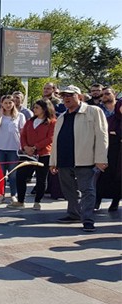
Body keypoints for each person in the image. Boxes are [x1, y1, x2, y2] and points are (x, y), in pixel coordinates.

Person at [50, 85, 109, 232]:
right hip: (64, 160)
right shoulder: (62, 116)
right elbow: (56, 140)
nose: (66, 98)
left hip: (85, 159)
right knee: (68, 190)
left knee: (87, 190)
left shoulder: (93, 111)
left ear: (80, 96)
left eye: (70, 95)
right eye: (64, 96)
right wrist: (53, 161)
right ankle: (73, 214)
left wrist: (101, 158)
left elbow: (102, 135)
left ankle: (88, 219)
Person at [8, 99, 56, 210]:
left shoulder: (52, 122)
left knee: (41, 178)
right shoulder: (30, 121)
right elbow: (23, 134)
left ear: (44, 109)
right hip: (27, 154)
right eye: (34, 107)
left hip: (43, 154)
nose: (34, 109)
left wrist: (35, 147)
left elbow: (50, 138)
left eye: (37, 108)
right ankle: (20, 201)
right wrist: (25, 147)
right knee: (20, 177)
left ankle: (37, 201)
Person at [0, 95, 26, 203]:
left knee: (13, 174)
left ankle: (13, 194)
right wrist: (1, 115)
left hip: (14, 148)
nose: (8, 105)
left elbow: (23, 131)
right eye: (5, 103)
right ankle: (0, 194)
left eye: (10, 103)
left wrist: (23, 146)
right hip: (0, 147)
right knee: (0, 174)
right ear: (1, 104)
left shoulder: (19, 116)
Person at [95, 98, 121, 211]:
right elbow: (104, 134)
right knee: (104, 178)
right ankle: (97, 201)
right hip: (110, 153)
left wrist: (117, 134)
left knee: (119, 180)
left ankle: (115, 202)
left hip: (120, 157)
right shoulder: (111, 119)